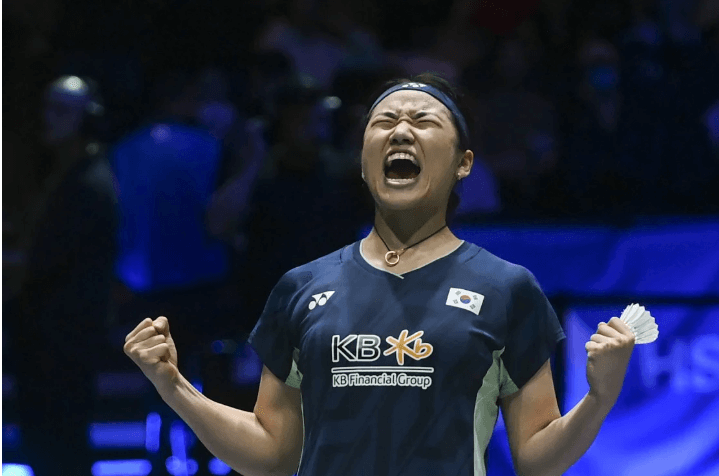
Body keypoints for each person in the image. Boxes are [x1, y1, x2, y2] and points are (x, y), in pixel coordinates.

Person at [124, 72, 637, 476]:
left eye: (424, 121)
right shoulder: (300, 287)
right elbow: (271, 455)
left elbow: (536, 460)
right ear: (365, 162)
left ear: (463, 163)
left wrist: (599, 397)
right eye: (383, 121)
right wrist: (174, 387)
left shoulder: (508, 288)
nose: (401, 130)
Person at [8, 75, 118, 475]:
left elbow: (41, 262)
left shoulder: (88, 184)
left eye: (61, 110)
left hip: (62, 342)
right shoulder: (67, 175)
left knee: (60, 446)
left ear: (87, 119)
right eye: (47, 108)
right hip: (47, 339)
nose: (47, 119)